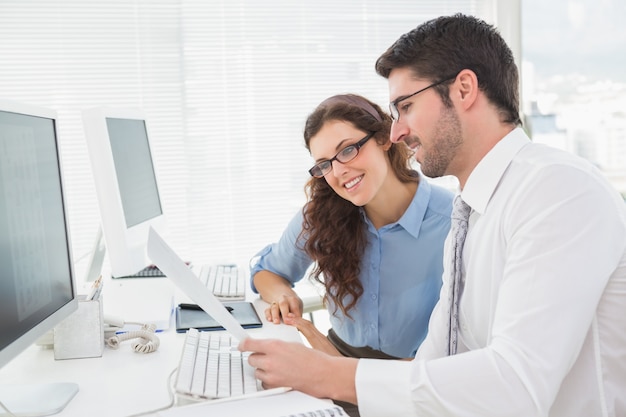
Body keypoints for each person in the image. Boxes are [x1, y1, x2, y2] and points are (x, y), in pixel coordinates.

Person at [240, 13, 626, 417]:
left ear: (464, 89)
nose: (396, 132)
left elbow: (516, 386)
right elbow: (435, 364)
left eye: (406, 107)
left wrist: (327, 375)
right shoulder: (472, 209)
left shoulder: (557, 189)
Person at [250, 93, 453, 361]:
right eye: (324, 164)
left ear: (383, 138)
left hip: (415, 378)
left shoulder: (453, 220)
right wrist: (284, 296)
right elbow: (266, 272)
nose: (337, 172)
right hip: (335, 359)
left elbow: (475, 338)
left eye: (347, 150)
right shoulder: (323, 214)